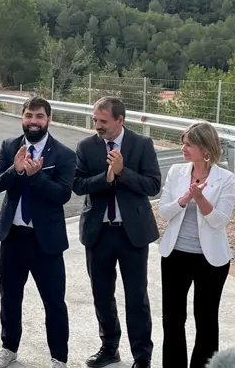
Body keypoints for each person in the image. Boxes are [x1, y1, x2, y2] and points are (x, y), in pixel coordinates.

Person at [73, 96, 161, 368]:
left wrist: (123, 173)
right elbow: (78, 184)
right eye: (95, 120)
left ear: (120, 120)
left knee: (136, 297)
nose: (97, 125)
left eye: (103, 121)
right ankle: (109, 347)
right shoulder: (86, 146)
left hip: (131, 234)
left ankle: (142, 356)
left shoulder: (141, 144)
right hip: (98, 233)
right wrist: (107, 177)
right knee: (102, 294)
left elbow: (153, 185)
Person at [0, 96, 74, 368]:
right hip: (13, 237)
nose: (33, 121)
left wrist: (36, 177)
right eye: (29, 115)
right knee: (10, 296)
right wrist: (16, 170)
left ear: (48, 119)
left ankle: (59, 357)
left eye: (39, 116)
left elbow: (62, 195)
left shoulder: (63, 154)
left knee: (54, 302)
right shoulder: (9, 146)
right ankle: (9, 347)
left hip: (46, 242)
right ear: (22, 118)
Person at [157, 122, 235, 368]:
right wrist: (185, 198)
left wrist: (200, 199)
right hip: (175, 256)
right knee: (172, 319)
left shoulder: (226, 178)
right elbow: (164, 212)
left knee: (206, 321)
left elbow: (219, 220)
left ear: (205, 148)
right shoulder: (176, 171)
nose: (183, 148)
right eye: (183, 142)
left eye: (188, 144)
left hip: (210, 260)